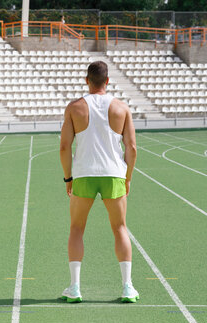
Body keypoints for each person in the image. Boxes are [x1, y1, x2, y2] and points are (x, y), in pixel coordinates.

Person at [59, 61, 138, 303]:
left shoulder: (74, 108)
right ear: (107, 81)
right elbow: (132, 148)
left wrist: (68, 177)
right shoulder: (121, 108)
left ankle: (75, 287)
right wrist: (128, 178)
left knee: (76, 228)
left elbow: (64, 147)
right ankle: (127, 287)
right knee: (120, 228)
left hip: (83, 173)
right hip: (113, 174)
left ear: (87, 81)